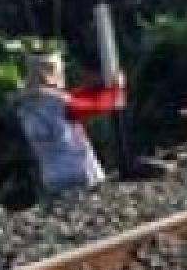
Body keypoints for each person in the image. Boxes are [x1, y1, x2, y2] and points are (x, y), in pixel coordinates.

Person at [14, 52, 123, 193]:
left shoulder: (25, 105)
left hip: (51, 175)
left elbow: (75, 98)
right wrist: (116, 89)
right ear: (51, 74)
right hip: (78, 170)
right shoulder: (58, 103)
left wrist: (96, 87)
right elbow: (98, 105)